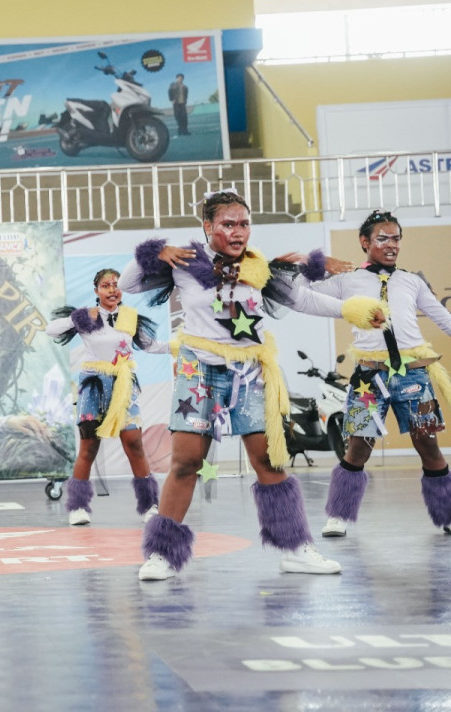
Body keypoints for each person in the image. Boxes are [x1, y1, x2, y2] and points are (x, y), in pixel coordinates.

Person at [120, 190, 386, 581]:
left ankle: (295, 548)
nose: (238, 231)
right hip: (199, 372)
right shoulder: (186, 262)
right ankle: (162, 554)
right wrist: (154, 251)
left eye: (244, 223)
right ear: (208, 226)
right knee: (186, 462)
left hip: (247, 372)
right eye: (228, 224)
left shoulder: (259, 266)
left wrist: (353, 311)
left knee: (268, 460)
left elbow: (304, 300)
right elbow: (128, 283)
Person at [300, 210, 451, 538]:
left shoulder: (411, 281)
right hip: (369, 379)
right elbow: (299, 296)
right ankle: (339, 515)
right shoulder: (347, 281)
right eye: (383, 238)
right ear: (364, 242)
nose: (391, 244)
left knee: (428, 445)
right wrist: (314, 265)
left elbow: (443, 318)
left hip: (413, 378)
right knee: (358, 447)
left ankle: (446, 513)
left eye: (396, 238)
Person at [46, 268, 169, 526]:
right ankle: (78, 506)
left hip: (123, 385)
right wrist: (78, 317)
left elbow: (150, 346)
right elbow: (51, 330)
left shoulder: (130, 317)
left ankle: (150, 504)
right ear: (97, 291)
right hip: (93, 386)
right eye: (105, 285)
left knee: (134, 443)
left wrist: (180, 346)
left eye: (115, 285)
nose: (112, 290)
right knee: (89, 446)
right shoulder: (88, 317)